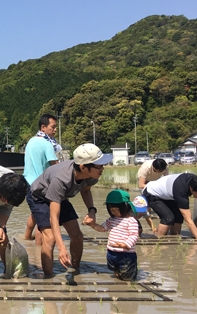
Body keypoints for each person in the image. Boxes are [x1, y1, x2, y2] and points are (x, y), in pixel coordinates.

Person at [27, 143, 112, 277]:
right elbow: (54, 217)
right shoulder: (61, 179)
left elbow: (86, 190)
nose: (102, 169)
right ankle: (48, 277)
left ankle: (75, 270)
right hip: (39, 197)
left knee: (77, 236)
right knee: (50, 238)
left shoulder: (91, 175)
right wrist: (61, 247)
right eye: (99, 166)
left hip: (60, 197)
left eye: (103, 165)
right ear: (83, 167)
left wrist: (91, 211)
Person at [83, 190, 139, 281]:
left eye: (117, 210)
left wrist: (125, 245)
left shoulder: (131, 221)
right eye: (111, 210)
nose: (114, 213)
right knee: (116, 274)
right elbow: (102, 228)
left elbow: (134, 235)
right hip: (111, 253)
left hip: (126, 254)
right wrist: (92, 225)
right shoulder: (111, 219)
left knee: (127, 277)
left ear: (125, 207)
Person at [24, 114, 60, 245]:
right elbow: (55, 164)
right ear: (43, 127)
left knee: (36, 213)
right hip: (41, 186)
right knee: (44, 220)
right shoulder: (46, 143)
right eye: (53, 127)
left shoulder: (31, 141)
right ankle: (39, 252)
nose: (55, 130)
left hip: (28, 183)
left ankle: (27, 238)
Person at [142, 173, 197, 238]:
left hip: (168, 193)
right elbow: (188, 220)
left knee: (179, 217)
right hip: (151, 193)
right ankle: (158, 242)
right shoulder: (181, 192)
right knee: (168, 218)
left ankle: (175, 239)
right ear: (191, 188)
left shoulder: (193, 180)